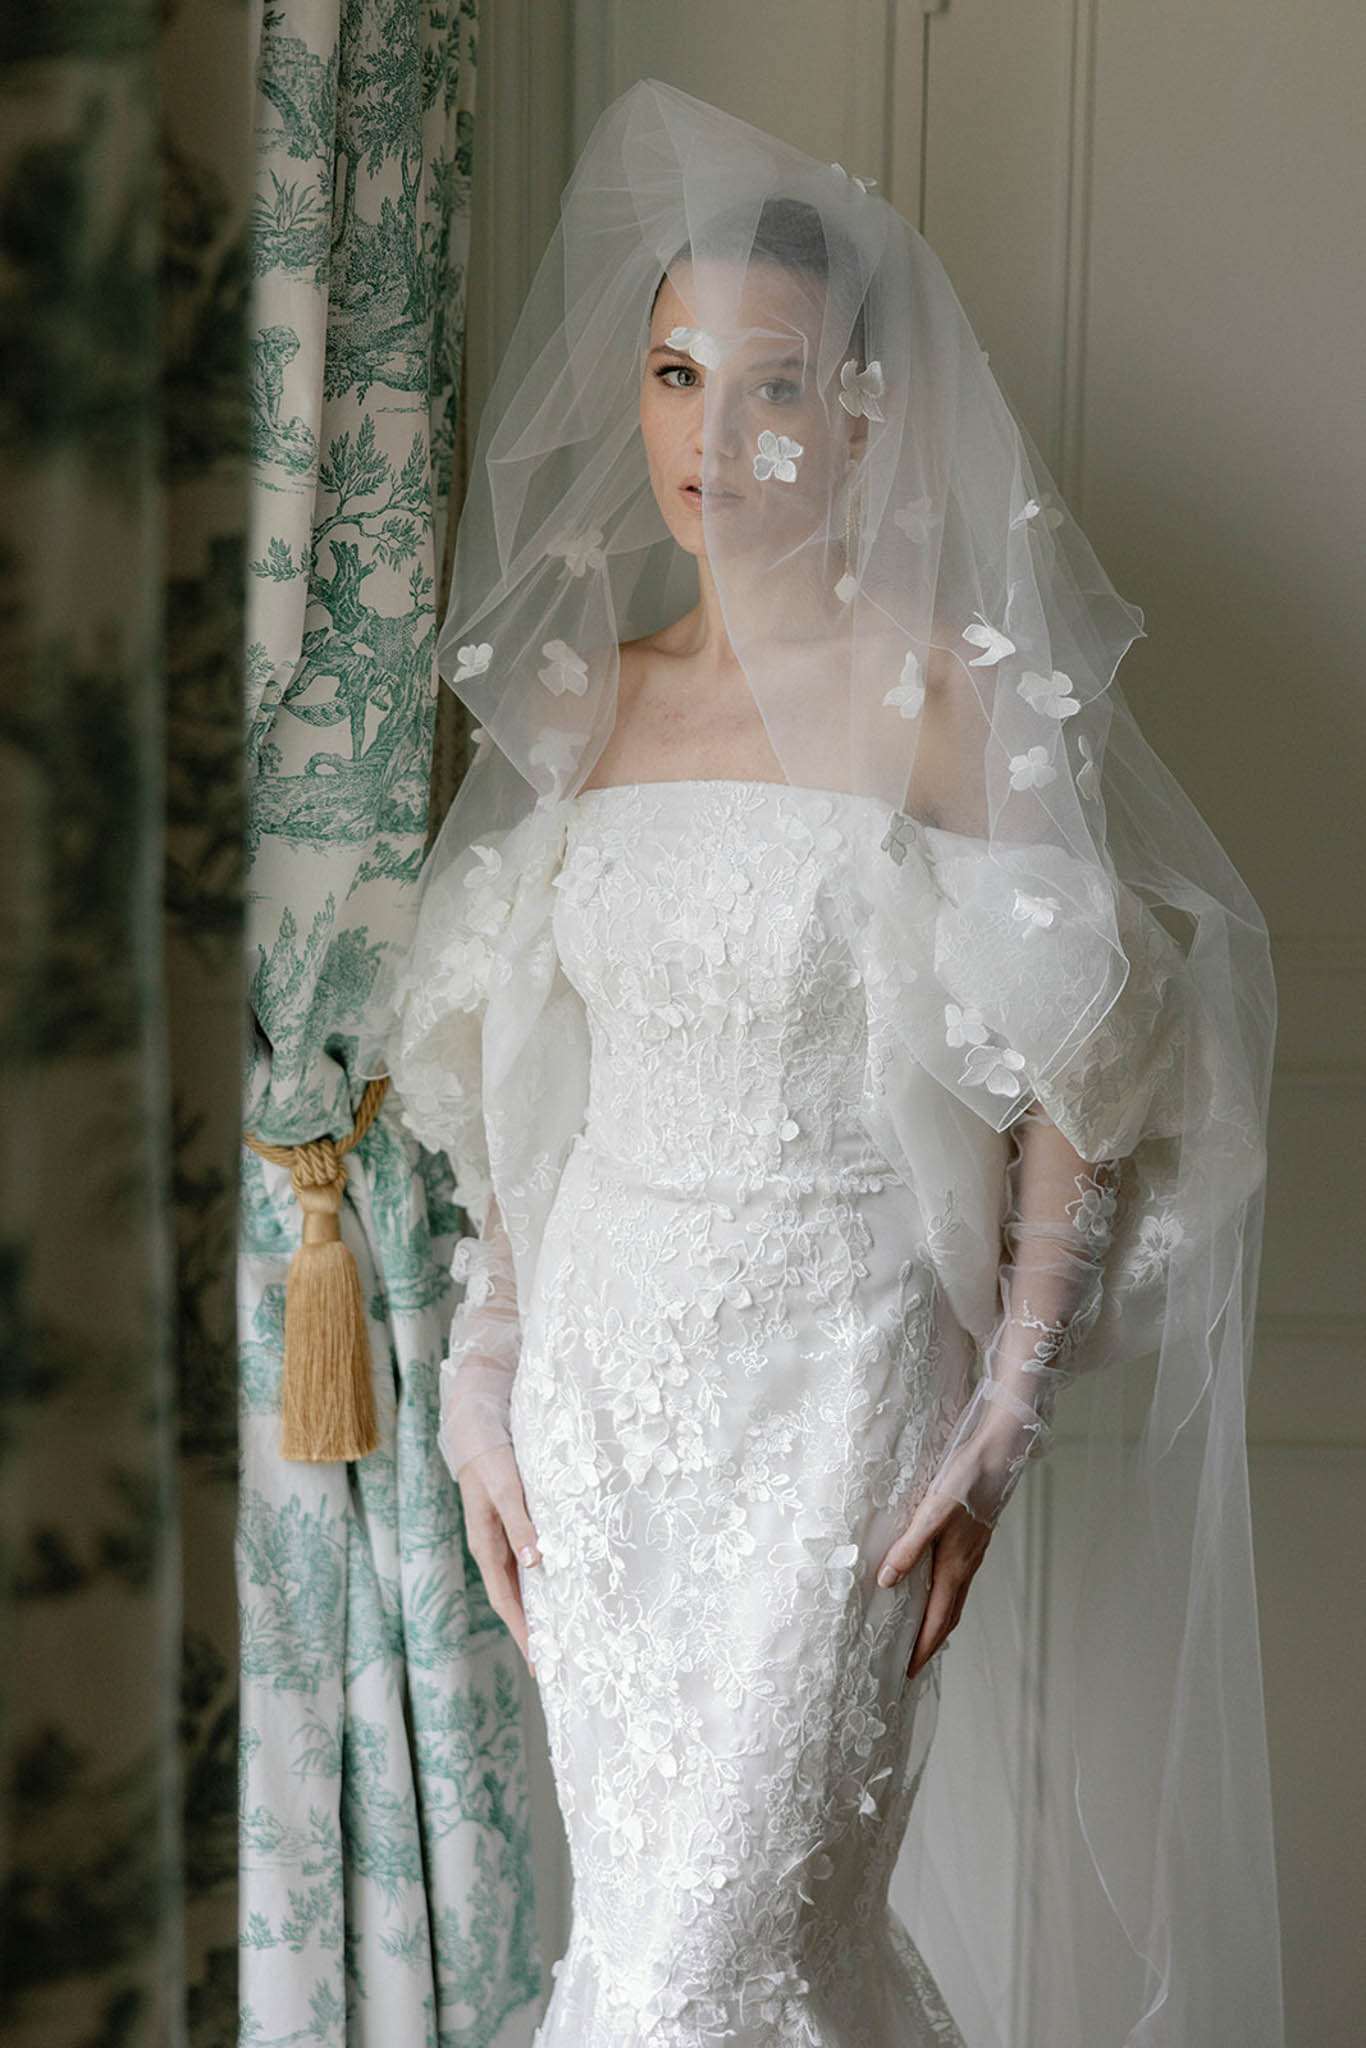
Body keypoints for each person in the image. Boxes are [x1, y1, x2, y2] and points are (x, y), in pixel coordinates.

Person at [356, 79, 1283, 2048]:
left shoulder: (947, 703)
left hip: (843, 1386)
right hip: (603, 1398)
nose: (709, 435)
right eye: (673, 375)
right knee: (649, 1945)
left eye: (769, 384)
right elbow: (523, 1064)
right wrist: (481, 1370)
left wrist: (1005, 1407)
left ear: (863, 414)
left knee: (713, 1965)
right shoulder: (588, 704)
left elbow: (1074, 1062)